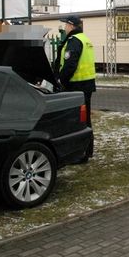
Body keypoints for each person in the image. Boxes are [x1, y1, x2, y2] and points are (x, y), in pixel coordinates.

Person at [55, 15, 96, 158]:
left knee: (78, 121)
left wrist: (61, 81)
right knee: (85, 120)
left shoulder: (74, 41)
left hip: (76, 86)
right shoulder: (85, 39)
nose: (64, 28)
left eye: (66, 25)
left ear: (71, 26)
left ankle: (82, 153)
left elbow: (70, 65)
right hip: (86, 85)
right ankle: (87, 150)